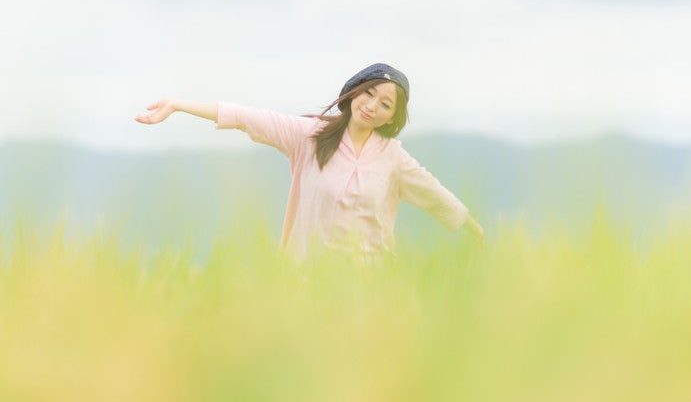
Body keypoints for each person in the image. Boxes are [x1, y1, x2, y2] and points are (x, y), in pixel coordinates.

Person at [135, 62, 484, 260]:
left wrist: (474, 229)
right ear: (354, 91)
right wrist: (179, 105)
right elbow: (246, 117)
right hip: (307, 282)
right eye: (369, 93)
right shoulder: (310, 136)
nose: (372, 106)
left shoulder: (393, 157)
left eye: (385, 105)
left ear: (391, 117)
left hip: (370, 289)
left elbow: (435, 196)